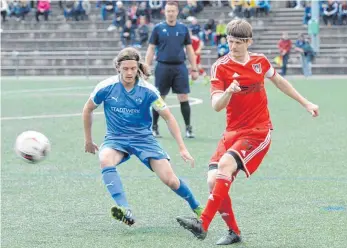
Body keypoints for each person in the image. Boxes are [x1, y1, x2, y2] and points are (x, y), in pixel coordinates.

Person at [176, 19, 319, 245]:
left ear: (248, 42)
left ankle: (202, 223)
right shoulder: (220, 66)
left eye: (238, 43)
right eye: (230, 41)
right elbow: (216, 105)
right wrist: (229, 92)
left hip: (258, 131)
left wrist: (306, 103)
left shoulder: (260, 61)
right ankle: (234, 232)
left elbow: (279, 81)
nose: (233, 47)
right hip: (232, 132)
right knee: (213, 181)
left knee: (223, 167)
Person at [82, 47, 203, 226]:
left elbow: (168, 117)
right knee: (105, 159)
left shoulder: (148, 90)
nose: (129, 72)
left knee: (170, 180)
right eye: (125, 69)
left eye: (133, 68)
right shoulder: (106, 87)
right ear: (118, 68)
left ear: (138, 67)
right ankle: (124, 209)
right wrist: (88, 140)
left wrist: (182, 147)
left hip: (144, 140)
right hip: (117, 138)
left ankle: (198, 208)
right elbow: (88, 109)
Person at [145, 1, 199, 139]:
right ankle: (154, 127)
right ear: (165, 12)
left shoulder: (183, 28)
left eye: (173, 11)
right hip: (162, 66)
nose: (170, 13)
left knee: (183, 97)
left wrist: (194, 68)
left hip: (179, 67)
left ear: (177, 12)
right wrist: (146, 67)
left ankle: (188, 128)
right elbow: (151, 49)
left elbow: (189, 49)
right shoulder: (158, 28)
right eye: (168, 11)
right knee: (159, 98)